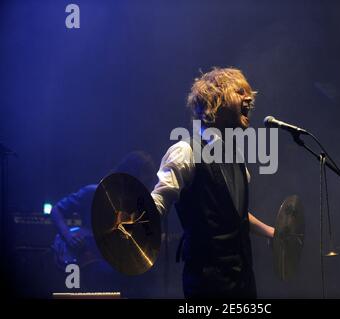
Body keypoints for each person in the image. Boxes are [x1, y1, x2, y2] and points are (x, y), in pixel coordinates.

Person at [151, 67, 274, 298]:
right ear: (215, 102)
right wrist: (134, 217)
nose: (249, 98)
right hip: (208, 284)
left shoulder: (237, 161)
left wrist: (272, 233)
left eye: (248, 93)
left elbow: (235, 216)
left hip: (243, 281)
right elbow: (159, 200)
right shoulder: (185, 151)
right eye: (239, 91)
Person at [50, 150, 156, 294]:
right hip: (88, 260)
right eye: (144, 179)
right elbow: (56, 210)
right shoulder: (94, 192)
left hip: (108, 261)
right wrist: (68, 236)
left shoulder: (135, 207)